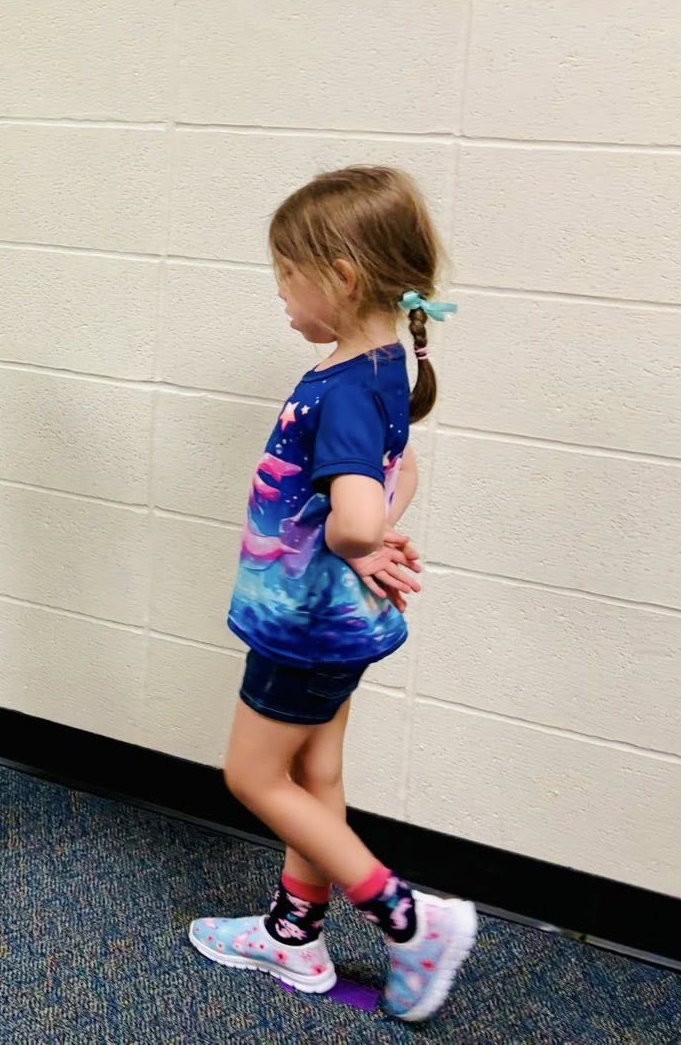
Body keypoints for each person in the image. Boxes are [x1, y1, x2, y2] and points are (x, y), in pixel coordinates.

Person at [188, 165, 475, 1024]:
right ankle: (294, 933)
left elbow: (351, 516)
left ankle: (408, 919)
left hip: (302, 625)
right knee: (316, 774)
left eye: (286, 276)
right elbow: (402, 470)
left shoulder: (346, 385)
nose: (280, 295)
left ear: (342, 279)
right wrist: (377, 533)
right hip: (338, 622)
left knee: (252, 774)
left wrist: (365, 539)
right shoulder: (386, 364)